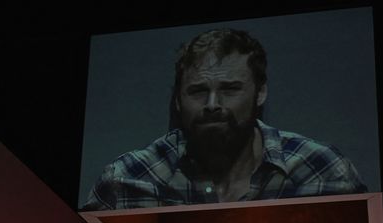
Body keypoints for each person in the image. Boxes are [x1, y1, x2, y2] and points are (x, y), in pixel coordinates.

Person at [83, 28, 367, 211]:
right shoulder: (127, 180)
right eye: (197, 91)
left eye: (230, 90)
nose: (212, 105)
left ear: (260, 93)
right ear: (178, 101)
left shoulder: (321, 169)